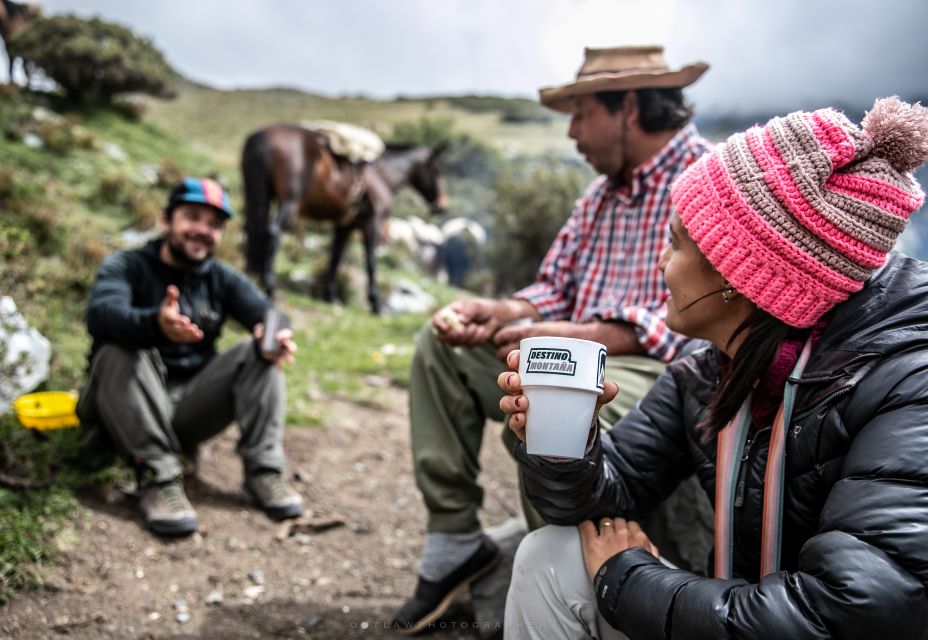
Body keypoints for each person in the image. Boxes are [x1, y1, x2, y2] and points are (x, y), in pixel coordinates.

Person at [498, 97, 928, 639]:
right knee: (550, 555)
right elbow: (606, 494)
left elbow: (848, 611)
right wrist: (563, 442)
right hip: (743, 617)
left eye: (676, 242)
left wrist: (626, 578)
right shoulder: (711, 371)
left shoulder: (907, 385)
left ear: (738, 273)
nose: (660, 262)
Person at [393, 46, 713, 632]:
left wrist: (564, 334)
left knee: (552, 397)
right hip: (568, 345)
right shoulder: (598, 197)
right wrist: (499, 310)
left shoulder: (703, 181)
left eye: (581, 112)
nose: (571, 131)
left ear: (630, 108)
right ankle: (455, 541)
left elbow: (693, 318)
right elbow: (552, 286)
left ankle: (574, 595)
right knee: (441, 348)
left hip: (652, 364)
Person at [76, 177, 303, 536]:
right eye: (192, 217)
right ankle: (158, 477)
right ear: (166, 221)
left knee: (257, 352)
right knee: (119, 346)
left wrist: (273, 332)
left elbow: (267, 312)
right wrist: (154, 324)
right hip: (119, 404)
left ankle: (264, 472)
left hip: (186, 408)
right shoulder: (126, 266)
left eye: (214, 224)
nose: (203, 230)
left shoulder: (221, 278)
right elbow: (101, 315)